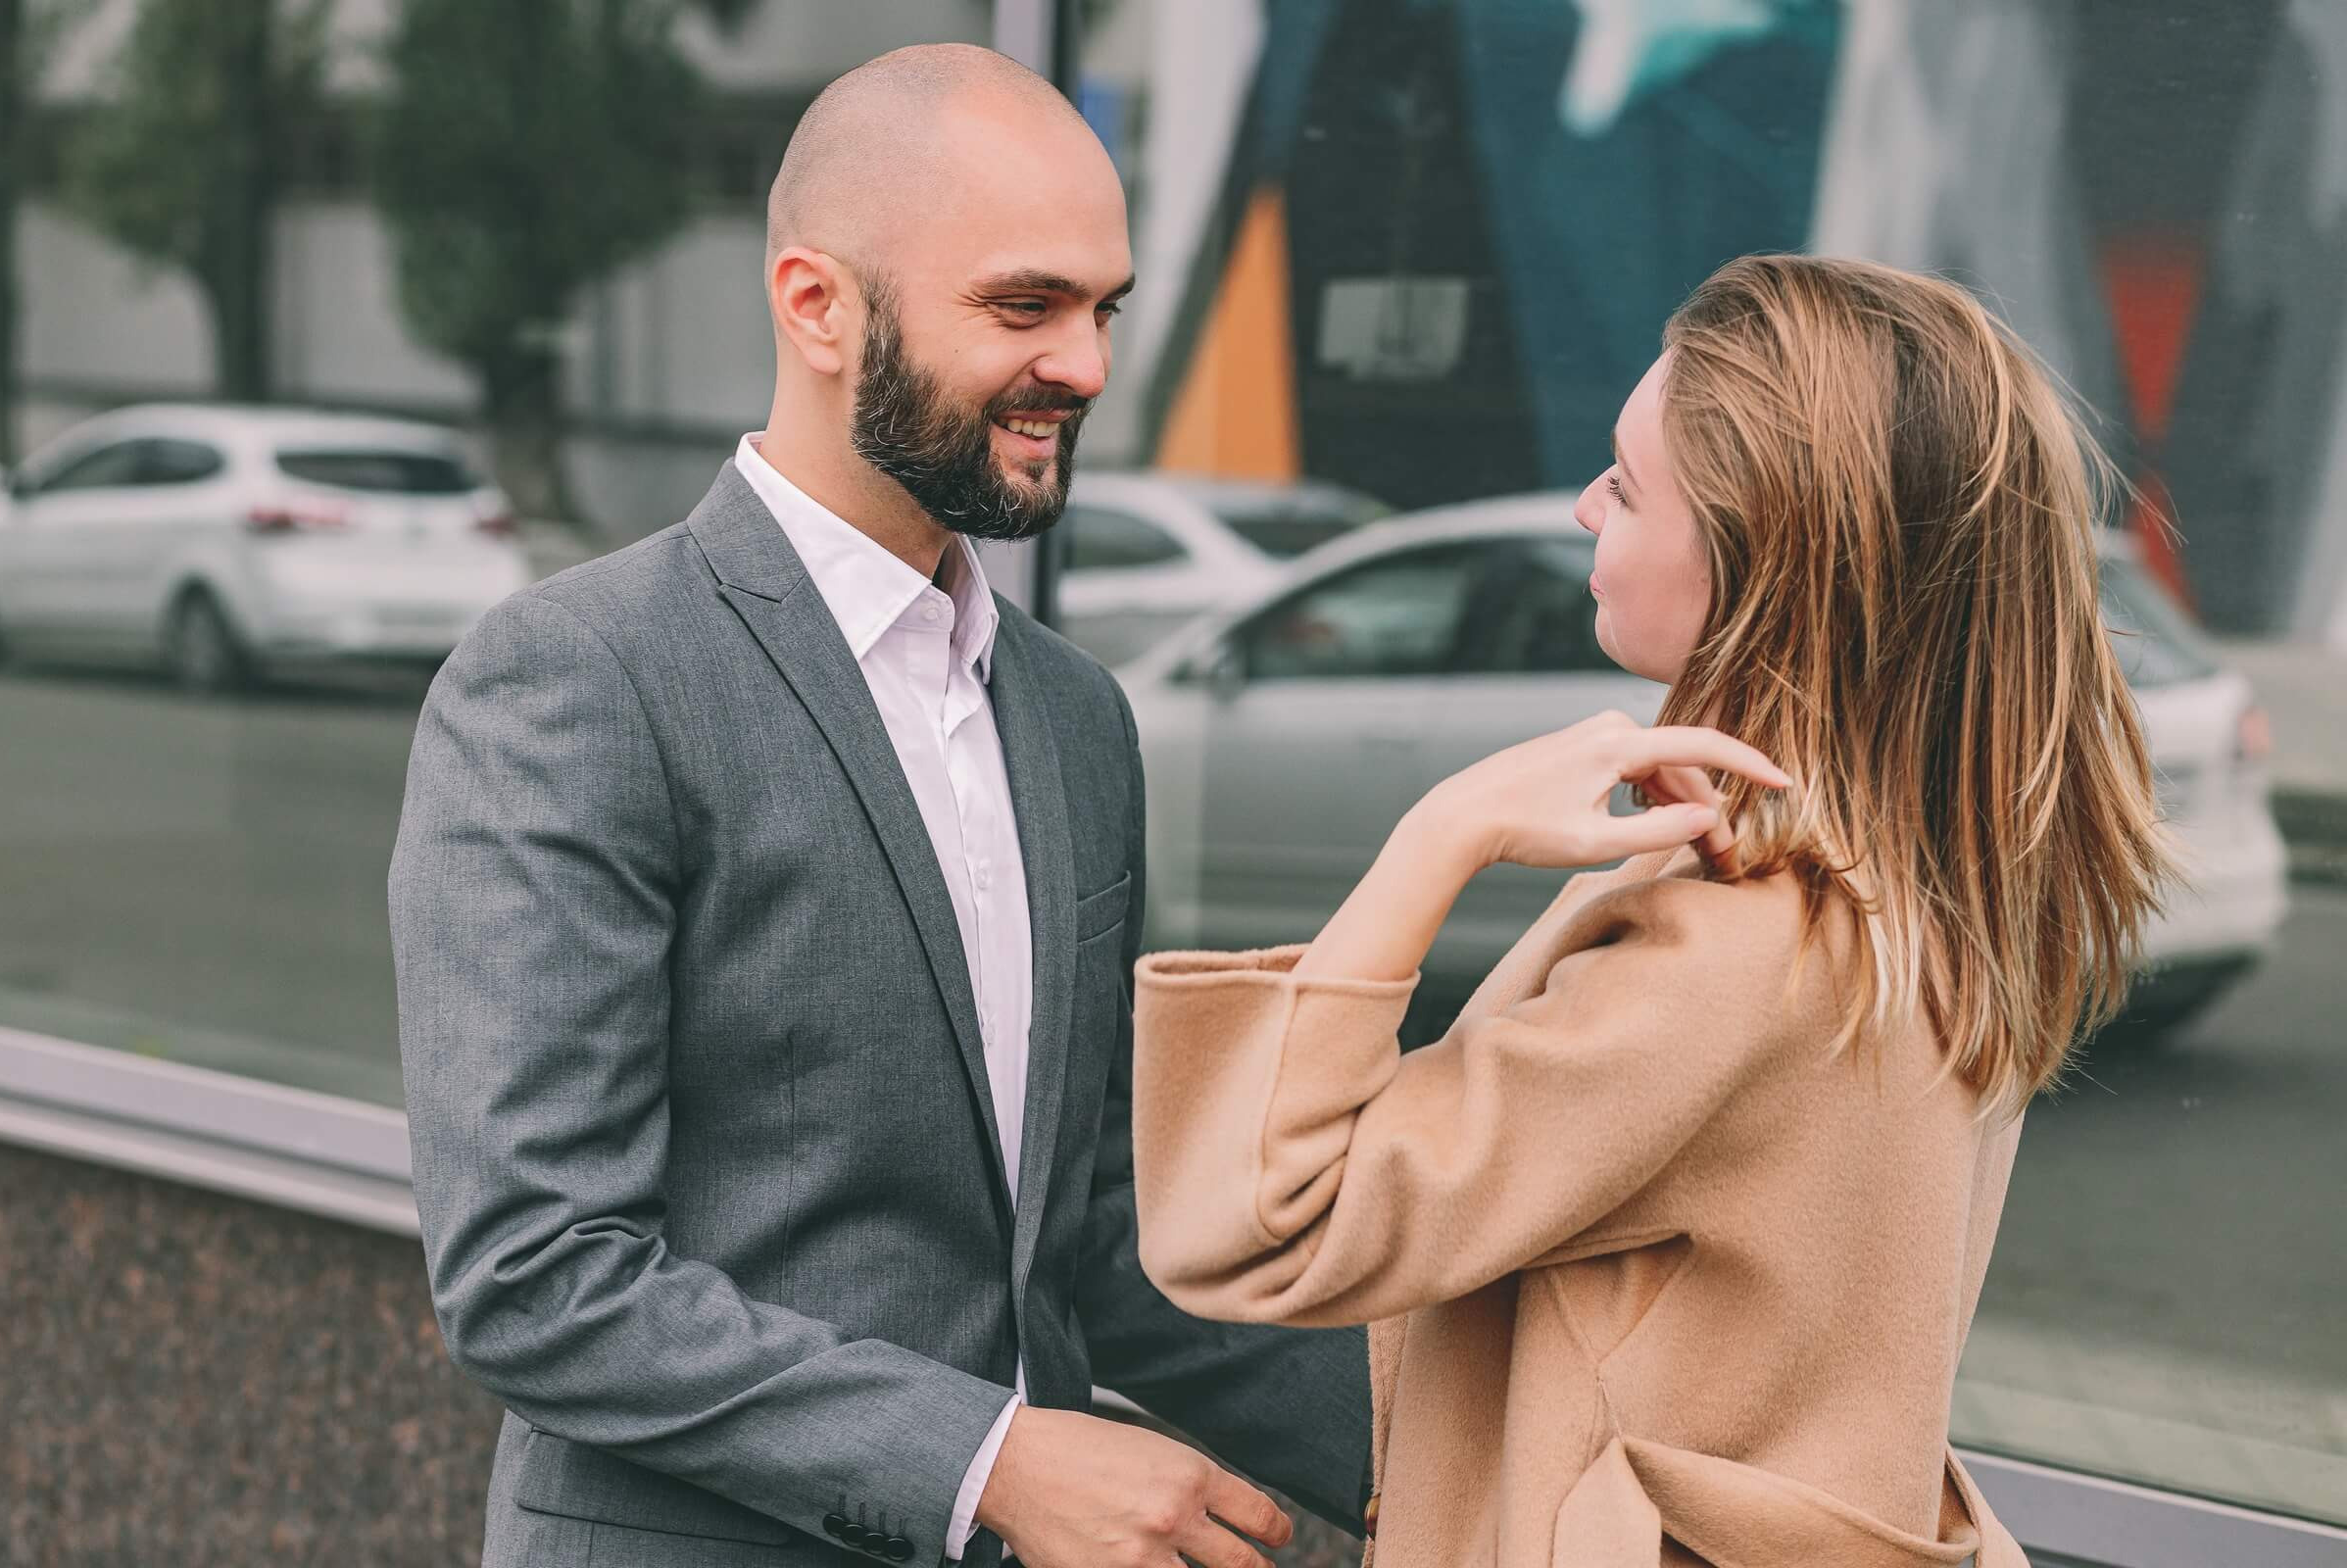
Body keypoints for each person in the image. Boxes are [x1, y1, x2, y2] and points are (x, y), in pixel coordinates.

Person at [389, 44, 1368, 1568]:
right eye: (1023, 306)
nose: (1090, 368)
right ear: (818, 305)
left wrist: (1483, 1466)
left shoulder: (1076, 717)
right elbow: (534, 1275)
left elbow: (1100, 1234)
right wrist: (989, 1463)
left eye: (1103, 309)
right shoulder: (579, 679)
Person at [1129, 254, 2170, 1567]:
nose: (1581, 509)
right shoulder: (1927, 891)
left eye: (1624, 485)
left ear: (1762, 553)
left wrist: (1440, 834)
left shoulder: (1735, 947)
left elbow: (1261, 1229)